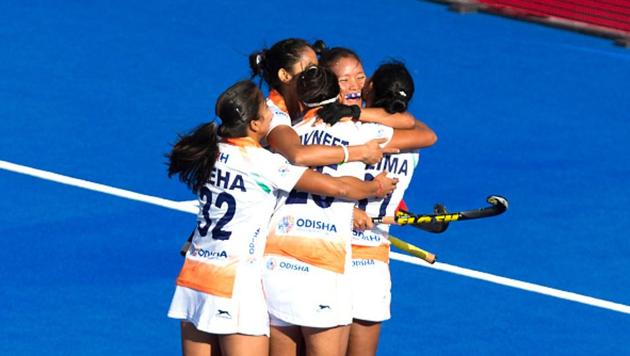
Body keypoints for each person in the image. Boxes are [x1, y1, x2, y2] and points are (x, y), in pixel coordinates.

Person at [166, 80, 397, 356]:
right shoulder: (264, 164)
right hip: (235, 286)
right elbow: (339, 187)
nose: (271, 113)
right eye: (266, 109)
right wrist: (376, 187)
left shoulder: (211, 152)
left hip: (194, 279)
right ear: (254, 124)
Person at [262, 65, 435, 356]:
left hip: (283, 258)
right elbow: (425, 133)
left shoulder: (288, 134)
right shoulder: (371, 135)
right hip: (344, 261)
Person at [321, 49, 437, 356]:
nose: (356, 84)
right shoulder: (411, 140)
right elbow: (425, 132)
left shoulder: (351, 133)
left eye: (361, 78)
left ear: (369, 87)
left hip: (334, 248)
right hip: (373, 258)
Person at [249, 38, 395, 167]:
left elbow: (415, 129)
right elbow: (298, 155)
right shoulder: (273, 116)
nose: (317, 75)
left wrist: (354, 112)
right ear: (285, 76)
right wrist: (360, 152)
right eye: (310, 69)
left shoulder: (308, 106)